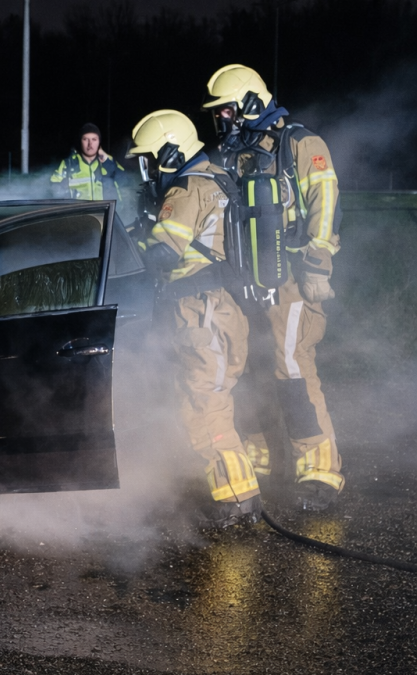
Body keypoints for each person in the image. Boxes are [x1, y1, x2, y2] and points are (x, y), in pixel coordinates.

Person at [203, 64, 345, 511]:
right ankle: (263, 457)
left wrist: (318, 262)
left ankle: (321, 468)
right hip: (245, 278)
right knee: (249, 369)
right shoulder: (237, 153)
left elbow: (325, 203)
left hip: (293, 277)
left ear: (247, 102)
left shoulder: (300, 144)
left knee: (292, 366)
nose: (222, 119)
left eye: (226, 110)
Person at [128, 109, 260, 528]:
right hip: (224, 307)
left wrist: (134, 241)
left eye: (149, 159)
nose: (145, 169)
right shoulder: (219, 178)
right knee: (203, 401)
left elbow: (164, 252)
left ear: (170, 152)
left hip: (198, 311)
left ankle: (239, 500)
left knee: (207, 406)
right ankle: (232, 495)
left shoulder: (184, 190)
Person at [50, 123, 126, 203]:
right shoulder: (69, 163)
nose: (90, 144)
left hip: (107, 212)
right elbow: (53, 187)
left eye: (94, 139)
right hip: (79, 212)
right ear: (80, 141)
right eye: (85, 139)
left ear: (99, 142)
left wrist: (107, 162)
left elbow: (126, 181)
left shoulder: (109, 161)